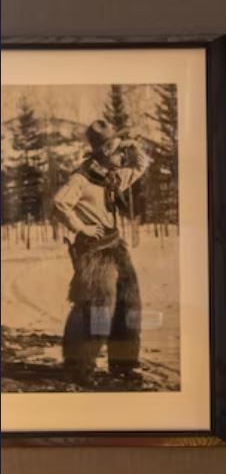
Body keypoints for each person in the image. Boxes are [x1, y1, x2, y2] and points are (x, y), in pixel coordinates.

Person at [49, 117, 151, 384]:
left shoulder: (112, 177)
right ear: (105, 150)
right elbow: (59, 203)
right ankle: (80, 367)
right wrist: (81, 227)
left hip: (116, 247)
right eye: (118, 149)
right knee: (97, 309)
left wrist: (130, 145)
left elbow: (141, 165)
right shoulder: (81, 178)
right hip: (94, 252)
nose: (122, 155)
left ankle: (123, 364)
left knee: (128, 303)